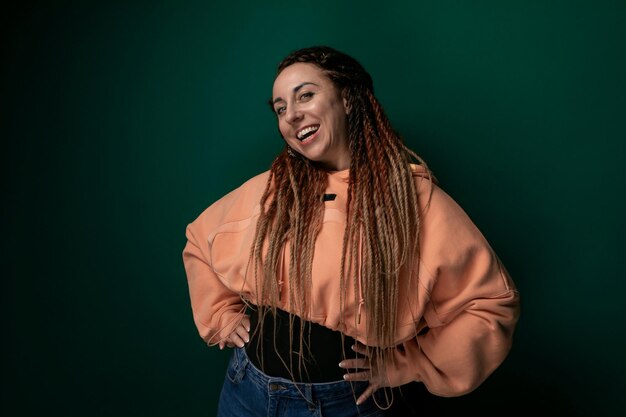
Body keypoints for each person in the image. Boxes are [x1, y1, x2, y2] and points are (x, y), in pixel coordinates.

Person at [182, 45, 520, 417]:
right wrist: (220, 316)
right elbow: (200, 240)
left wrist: (413, 363)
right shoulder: (273, 189)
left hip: (345, 404)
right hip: (246, 390)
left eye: (305, 95)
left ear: (346, 99)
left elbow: (489, 304)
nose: (292, 115)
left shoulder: (411, 200)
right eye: (280, 108)